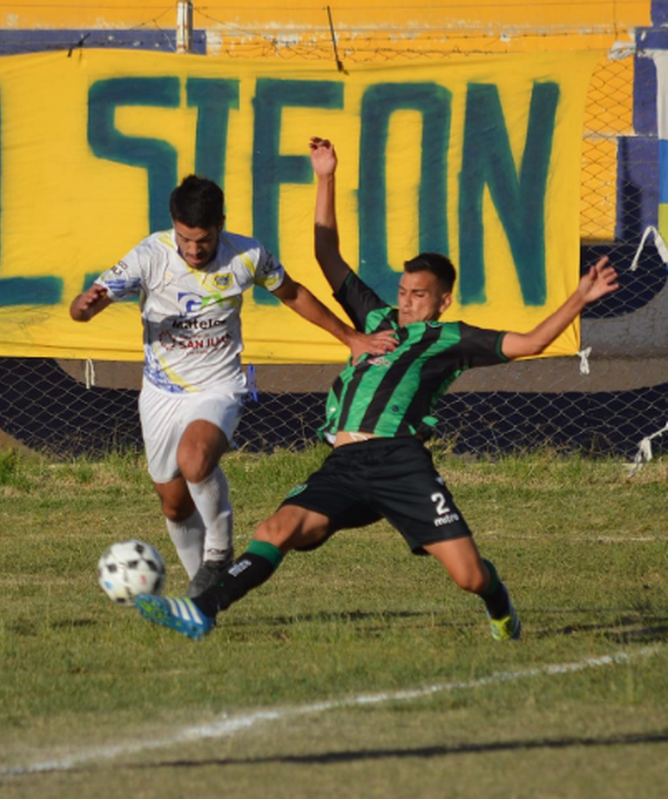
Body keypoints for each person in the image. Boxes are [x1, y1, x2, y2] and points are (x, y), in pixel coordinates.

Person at [135, 137, 620, 641]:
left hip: (401, 463)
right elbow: (328, 257)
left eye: (419, 295)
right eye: (404, 292)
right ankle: (204, 610)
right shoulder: (376, 320)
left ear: (443, 299)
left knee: (469, 576)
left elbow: (534, 341)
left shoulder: (451, 338)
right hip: (344, 465)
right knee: (274, 531)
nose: (407, 303)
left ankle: (500, 607)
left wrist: (578, 298)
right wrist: (325, 177)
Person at [70, 174, 396, 597]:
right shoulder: (149, 255)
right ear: (173, 225)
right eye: (185, 239)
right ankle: (203, 596)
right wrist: (84, 308)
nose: (193, 249)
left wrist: (350, 338)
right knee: (173, 503)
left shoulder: (247, 254)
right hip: (160, 394)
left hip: (220, 386)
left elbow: (294, 293)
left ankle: (219, 554)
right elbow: (87, 305)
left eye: (202, 240)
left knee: (195, 460)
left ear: (220, 224)